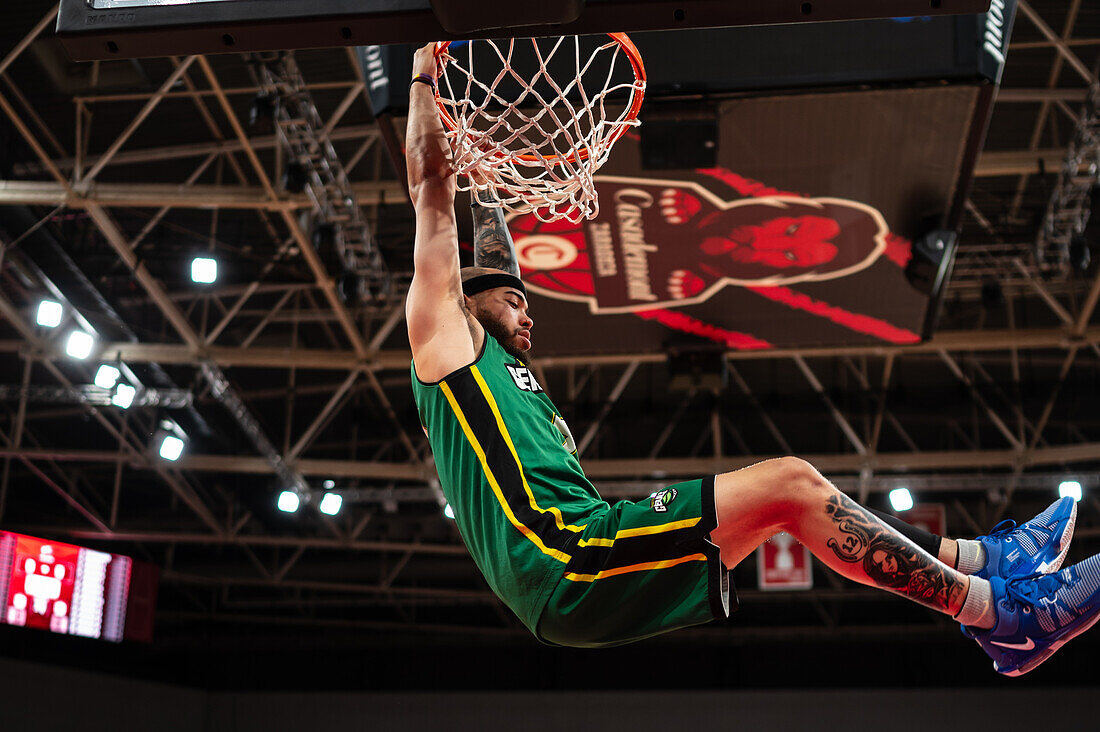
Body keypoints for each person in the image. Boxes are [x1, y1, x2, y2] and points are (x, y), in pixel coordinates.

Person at [404, 42, 1100, 676]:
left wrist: (485, 167)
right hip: (569, 565)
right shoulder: (447, 346)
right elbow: (431, 201)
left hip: (576, 563)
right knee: (790, 485)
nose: (530, 311)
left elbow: (487, 252)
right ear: (465, 301)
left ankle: (986, 567)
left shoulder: (504, 374)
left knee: (790, 503)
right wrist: (422, 82)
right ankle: (1003, 618)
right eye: (514, 301)